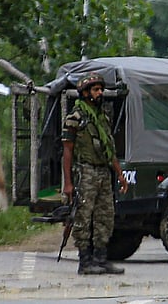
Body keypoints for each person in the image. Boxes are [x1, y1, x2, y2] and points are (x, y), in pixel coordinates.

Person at [61, 72, 129, 275]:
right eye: (96, 90)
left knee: (105, 216)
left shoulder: (102, 117)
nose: (100, 93)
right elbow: (67, 151)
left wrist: (120, 174)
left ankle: (101, 259)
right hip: (86, 171)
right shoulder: (75, 118)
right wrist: (68, 183)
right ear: (85, 93)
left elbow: (109, 149)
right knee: (83, 216)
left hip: (103, 172)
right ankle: (85, 261)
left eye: (101, 89)